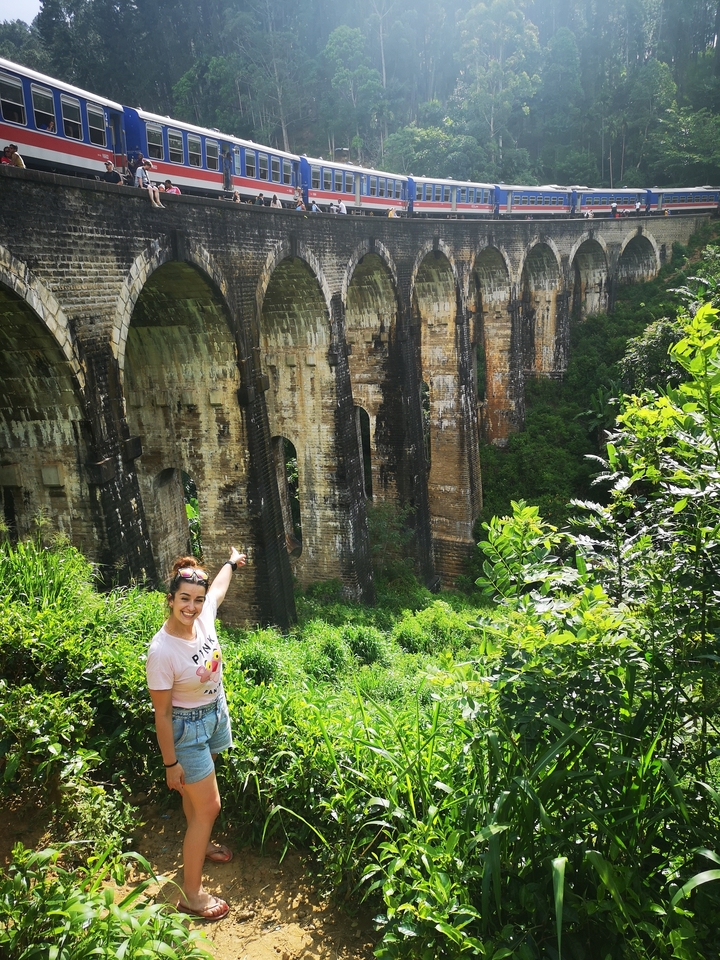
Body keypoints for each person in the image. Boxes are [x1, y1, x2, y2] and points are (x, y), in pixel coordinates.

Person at [146, 549, 246, 921]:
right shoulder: (162, 651)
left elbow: (219, 588)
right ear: (170, 599)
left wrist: (231, 563)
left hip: (215, 714)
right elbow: (162, 713)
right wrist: (170, 763)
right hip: (186, 728)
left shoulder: (204, 615)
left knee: (198, 796)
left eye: (197, 600)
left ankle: (198, 842)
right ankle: (190, 895)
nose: (192, 607)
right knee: (209, 805)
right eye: (184, 599)